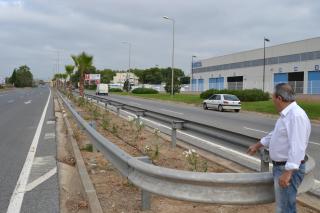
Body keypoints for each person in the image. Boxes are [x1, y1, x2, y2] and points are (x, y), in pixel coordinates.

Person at [247, 83, 311, 213]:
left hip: (286, 169)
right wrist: (257, 145)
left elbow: (298, 146)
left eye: (273, 97)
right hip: (282, 167)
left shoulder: (296, 116)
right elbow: (275, 134)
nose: (272, 101)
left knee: (285, 209)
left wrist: (288, 172)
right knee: (284, 207)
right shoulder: (286, 115)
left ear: (279, 99)